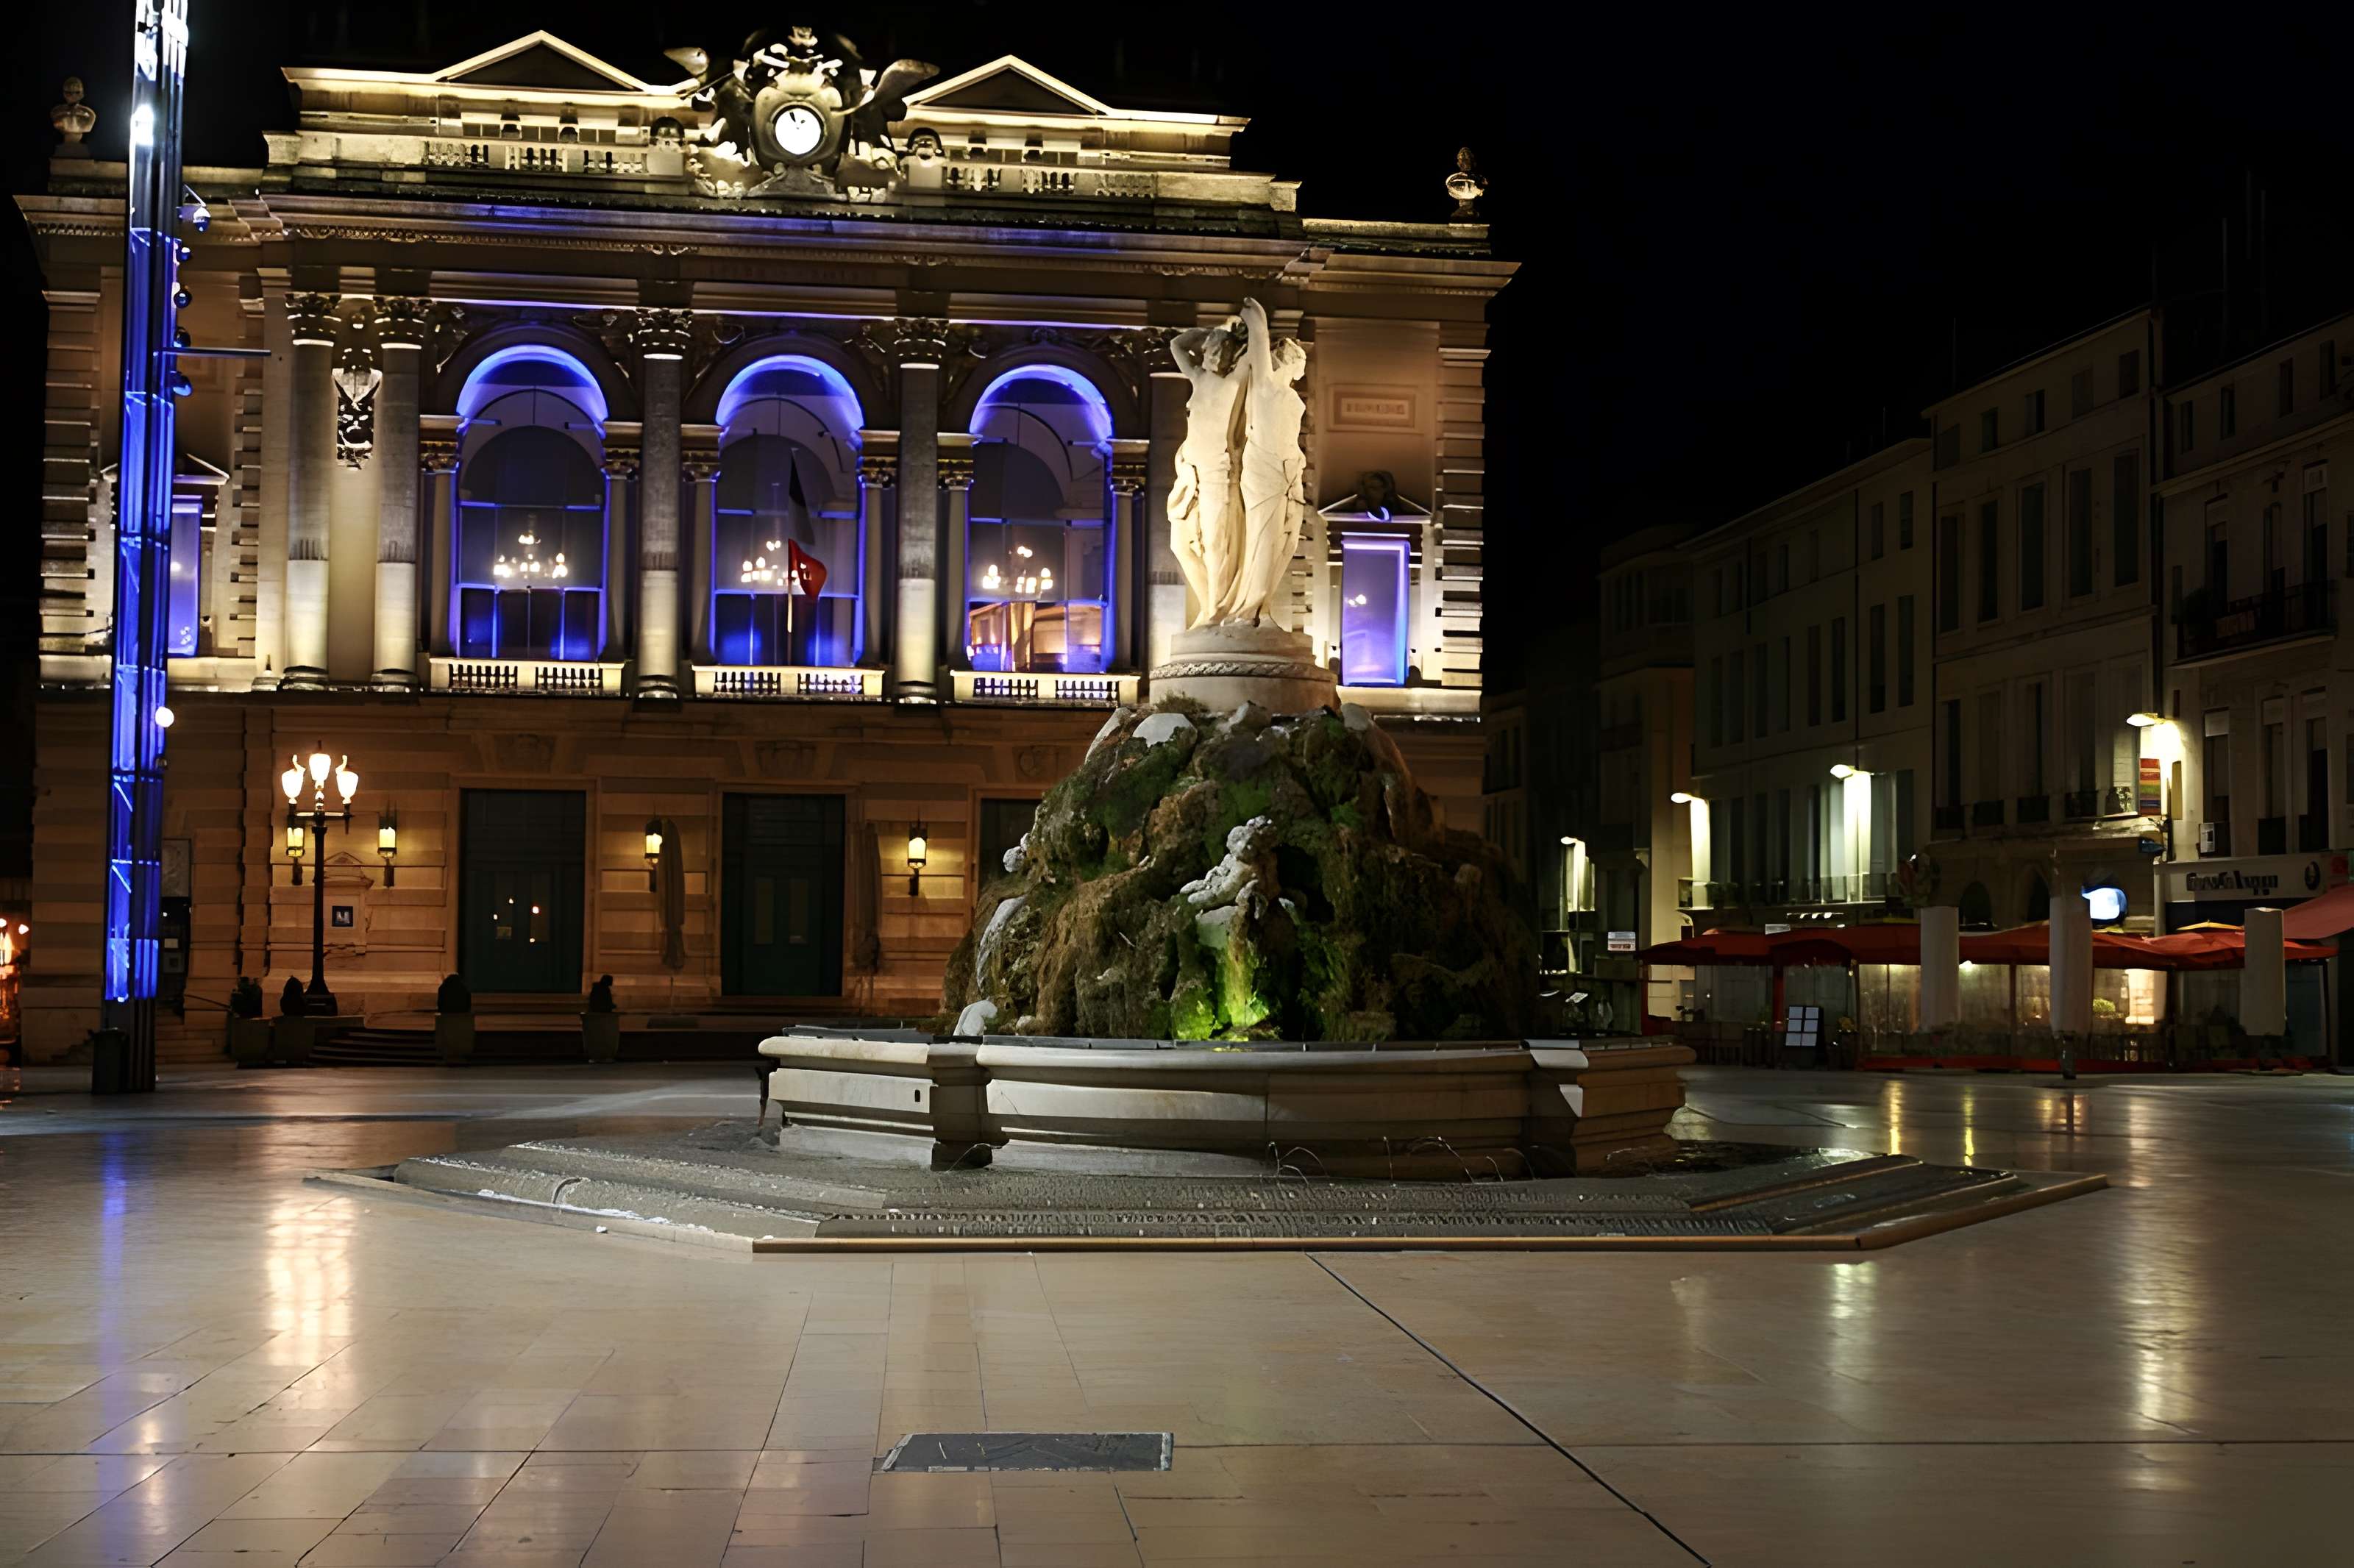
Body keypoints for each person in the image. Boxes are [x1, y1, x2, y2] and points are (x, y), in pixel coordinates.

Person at [1226, 297, 1308, 625]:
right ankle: (1251, 611)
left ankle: (1263, 606)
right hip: (1266, 471)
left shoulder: (1286, 394)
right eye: (1301, 360)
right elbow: (1260, 343)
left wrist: (1297, 466)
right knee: (1264, 540)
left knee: (1282, 543)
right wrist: (1256, 317)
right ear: (1293, 360)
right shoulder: (1266, 388)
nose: (1303, 367)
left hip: (1288, 474)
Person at [1167, 318, 1246, 627]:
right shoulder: (1199, 378)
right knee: (1181, 545)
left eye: (1220, 352)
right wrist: (1213, 333)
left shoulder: (1234, 383)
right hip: (1190, 472)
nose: (1213, 357)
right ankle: (1209, 604)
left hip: (1217, 472)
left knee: (1215, 544)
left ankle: (1217, 610)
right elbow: (1176, 345)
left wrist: (1239, 335)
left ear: (1230, 357)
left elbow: (1255, 358)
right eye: (1210, 352)